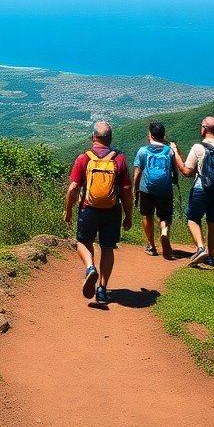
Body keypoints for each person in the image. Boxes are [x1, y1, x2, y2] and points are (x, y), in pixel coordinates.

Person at [64, 121, 133, 304]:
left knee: (83, 242)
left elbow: (73, 188)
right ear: (110, 139)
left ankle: (89, 268)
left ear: (94, 137)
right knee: (107, 248)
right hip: (112, 211)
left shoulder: (83, 158)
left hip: (88, 209)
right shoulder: (119, 159)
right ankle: (102, 288)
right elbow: (127, 191)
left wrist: (68, 210)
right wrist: (129, 215)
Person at [171, 116, 214, 267]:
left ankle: (201, 248)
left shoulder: (198, 147)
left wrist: (175, 152)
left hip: (201, 188)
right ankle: (211, 257)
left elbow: (186, 171)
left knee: (193, 218)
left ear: (204, 128)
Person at [133, 121, 176, 259]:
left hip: (147, 189)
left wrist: (136, 190)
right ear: (163, 135)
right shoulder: (169, 150)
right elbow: (174, 170)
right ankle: (164, 231)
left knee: (147, 215)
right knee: (165, 216)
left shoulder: (143, 151)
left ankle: (151, 246)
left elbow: (137, 173)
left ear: (150, 134)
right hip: (165, 189)